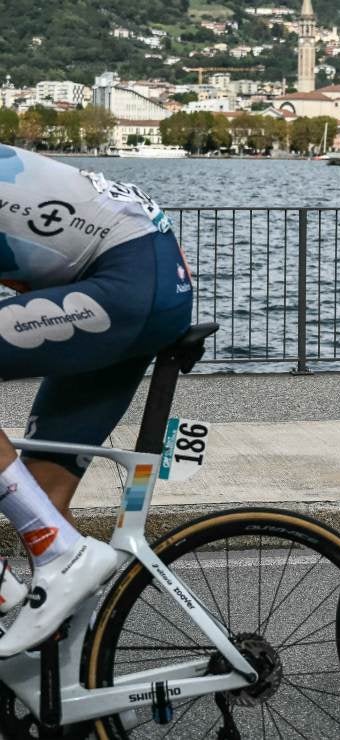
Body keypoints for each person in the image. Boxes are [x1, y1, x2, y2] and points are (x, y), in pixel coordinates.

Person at [0, 144, 193, 654]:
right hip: (136, 281)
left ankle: (54, 553)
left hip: (125, 286)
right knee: (44, 487)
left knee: (47, 529)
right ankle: (68, 680)